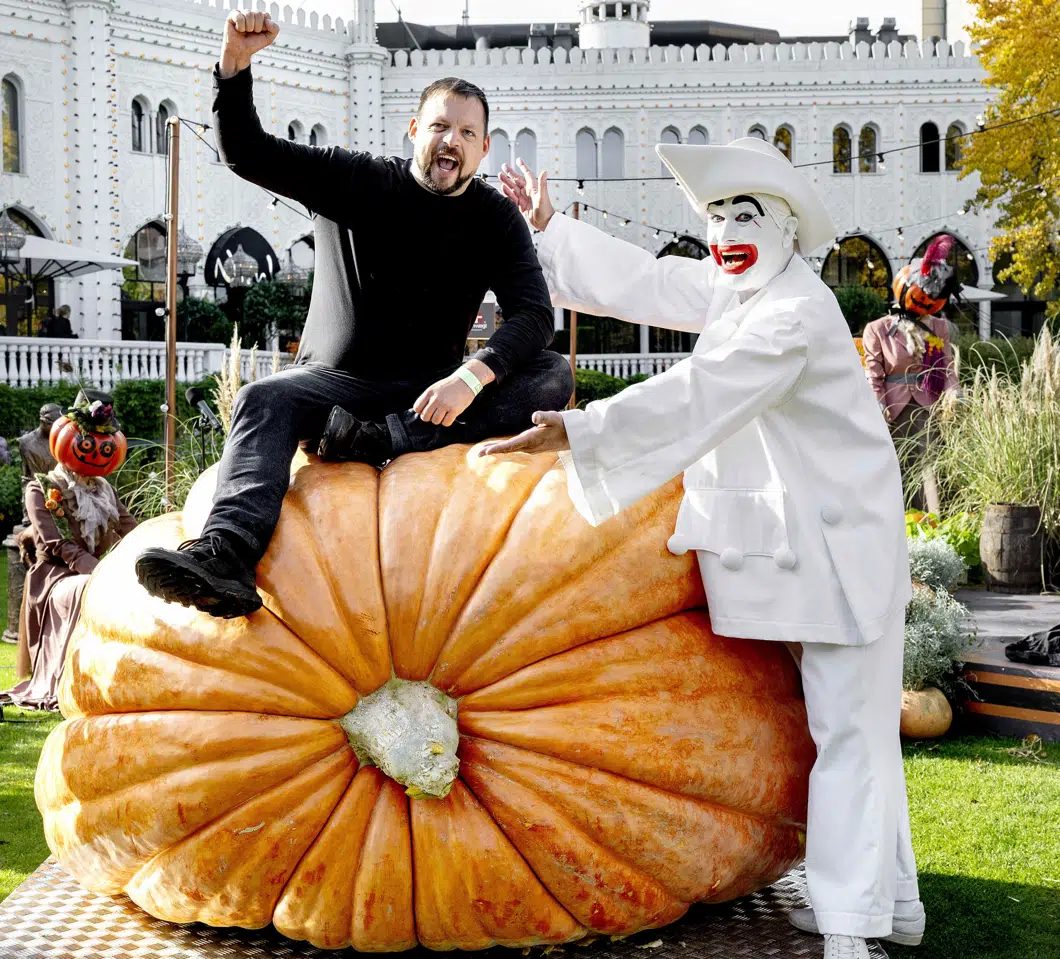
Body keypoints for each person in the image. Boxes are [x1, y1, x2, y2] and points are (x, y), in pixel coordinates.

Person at [486, 141, 922, 959]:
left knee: (851, 737)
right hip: (803, 550)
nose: (725, 231)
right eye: (717, 215)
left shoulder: (793, 313)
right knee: (854, 732)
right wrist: (551, 227)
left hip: (843, 551)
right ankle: (887, 903)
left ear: (788, 230)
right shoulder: (742, 290)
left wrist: (583, 429)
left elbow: (704, 391)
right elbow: (652, 282)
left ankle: (850, 931)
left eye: (744, 215)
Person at [133, 9, 572, 618]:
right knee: (264, 398)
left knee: (553, 375)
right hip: (336, 391)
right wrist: (234, 66)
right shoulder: (357, 179)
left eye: (468, 134)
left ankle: (383, 440)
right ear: (414, 128)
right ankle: (225, 556)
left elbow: (534, 314)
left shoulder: (494, 219)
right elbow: (247, 151)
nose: (453, 142)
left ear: (484, 147)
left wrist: (473, 375)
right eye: (441, 126)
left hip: (429, 398)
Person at [0, 391, 137, 709]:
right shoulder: (41, 488)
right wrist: (99, 570)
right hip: (54, 575)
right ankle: (70, 679)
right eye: (88, 444)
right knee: (84, 589)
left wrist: (155, 547)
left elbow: (130, 525)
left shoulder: (104, 489)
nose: (97, 453)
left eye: (105, 447)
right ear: (66, 441)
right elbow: (56, 544)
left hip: (94, 568)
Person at [861, 237, 961, 512]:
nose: (926, 301)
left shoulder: (938, 327)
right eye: (921, 294)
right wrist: (878, 405)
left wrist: (954, 393)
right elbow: (873, 374)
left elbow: (945, 367)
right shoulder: (878, 329)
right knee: (895, 467)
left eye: (934, 297)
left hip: (928, 405)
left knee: (930, 465)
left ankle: (935, 522)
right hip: (892, 409)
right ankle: (896, 522)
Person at [17, 402, 64, 481]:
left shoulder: (61, 439)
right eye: (55, 425)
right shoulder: (26, 443)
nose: (59, 429)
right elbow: (30, 476)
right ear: (43, 422)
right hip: (36, 488)